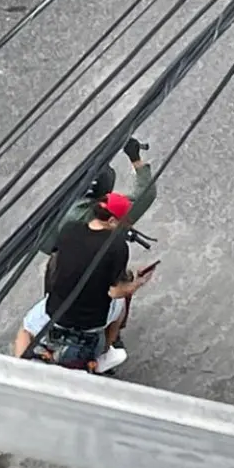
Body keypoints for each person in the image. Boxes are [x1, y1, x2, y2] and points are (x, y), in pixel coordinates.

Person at [38, 137, 157, 345]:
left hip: (59, 290)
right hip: (94, 310)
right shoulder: (116, 239)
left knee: (53, 271)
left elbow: (45, 244)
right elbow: (146, 194)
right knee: (124, 280)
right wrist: (135, 158)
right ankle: (112, 339)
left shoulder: (65, 220)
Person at [13, 192, 154, 367]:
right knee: (120, 308)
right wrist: (137, 284)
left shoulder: (69, 229)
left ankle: (20, 369)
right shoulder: (118, 246)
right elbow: (115, 291)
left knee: (25, 331)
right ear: (111, 221)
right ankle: (105, 352)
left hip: (55, 312)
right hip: (91, 323)